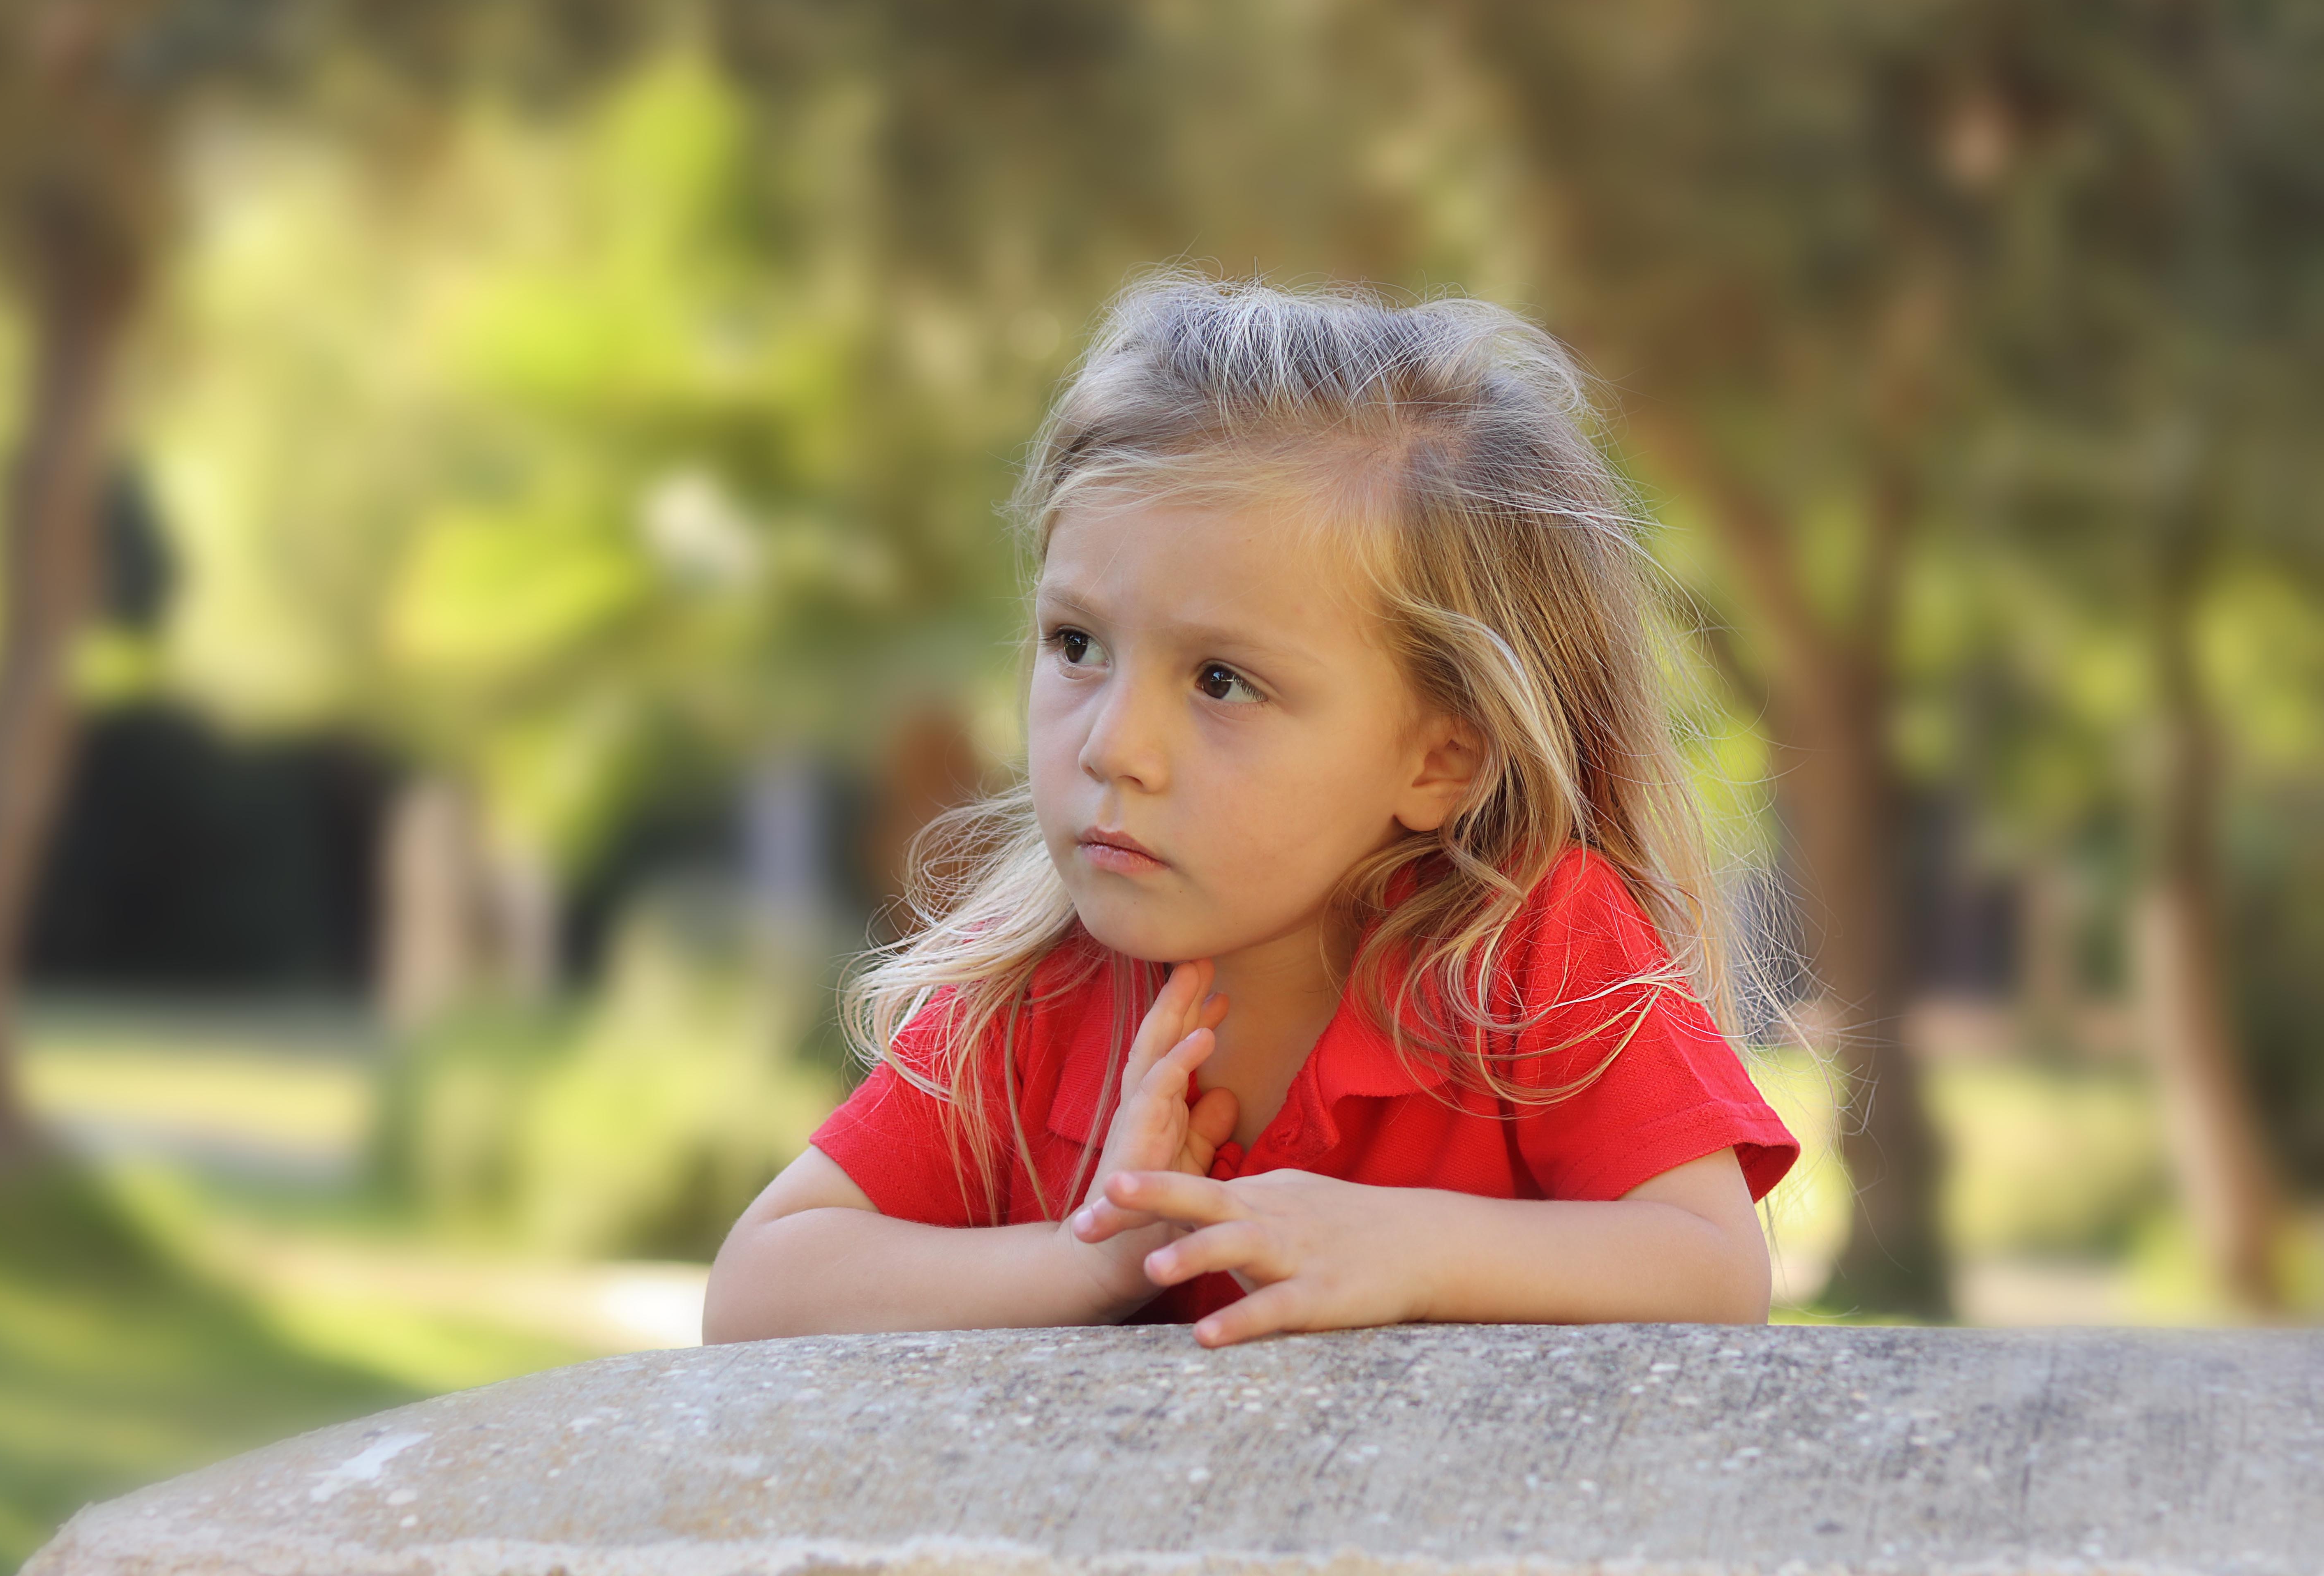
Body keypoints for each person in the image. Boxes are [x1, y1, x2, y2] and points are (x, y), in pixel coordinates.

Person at [703, 275, 1800, 1349]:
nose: (1112, 746)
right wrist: (1088, 1260)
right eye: (1077, 644)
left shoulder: (1536, 946)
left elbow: (1711, 1269)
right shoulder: (1032, 986)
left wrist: (1412, 1249)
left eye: (1222, 681)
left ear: (1442, 758)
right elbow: (760, 1288)